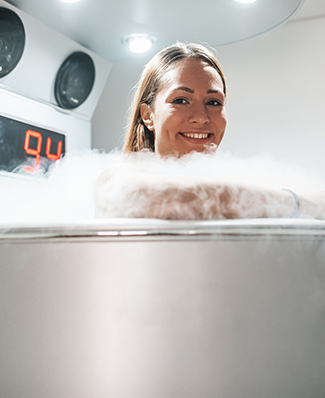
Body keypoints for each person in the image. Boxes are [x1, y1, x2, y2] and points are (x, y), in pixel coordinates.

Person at [95, 42, 325, 220]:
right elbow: (158, 200)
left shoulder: (241, 182)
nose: (201, 117)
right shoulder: (117, 176)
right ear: (148, 115)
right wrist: (300, 204)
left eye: (214, 102)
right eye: (181, 100)